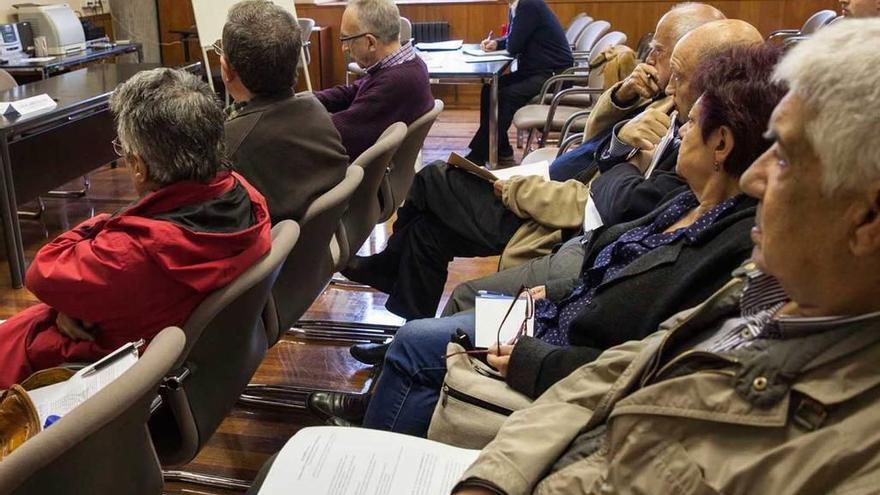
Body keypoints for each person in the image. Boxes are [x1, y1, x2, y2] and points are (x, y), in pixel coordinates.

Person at [454, 19, 880, 494]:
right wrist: (495, 479)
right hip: (542, 445)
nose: (756, 179)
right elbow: (615, 374)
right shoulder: (762, 286)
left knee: (428, 345)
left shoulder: (852, 451)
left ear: (867, 219)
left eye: (782, 156)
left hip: (555, 388)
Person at [310, 43, 787, 435]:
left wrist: (537, 349)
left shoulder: (717, 231)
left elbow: (637, 347)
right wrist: (619, 118)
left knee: (432, 193)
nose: (679, 121)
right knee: (430, 233)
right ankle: (387, 386)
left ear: (722, 143)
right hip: (563, 287)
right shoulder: (691, 197)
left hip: (560, 296)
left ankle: (389, 398)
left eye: (689, 117)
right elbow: (600, 168)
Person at [342, 19, 763, 321]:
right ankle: (408, 335)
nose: (649, 59)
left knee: (432, 180)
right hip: (563, 191)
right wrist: (621, 98)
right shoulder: (668, 102)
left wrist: (609, 149)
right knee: (427, 233)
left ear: (713, 74)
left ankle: (392, 281)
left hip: (564, 223)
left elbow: (617, 198)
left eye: (661, 53)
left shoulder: (702, 144)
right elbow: (595, 143)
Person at [0, 68, 272, 388]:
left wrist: (102, 221)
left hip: (83, 375)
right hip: (191, 359)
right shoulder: (247, 197)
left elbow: (43, 271)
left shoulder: (128, 254)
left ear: (139, 167)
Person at [549, 2, 726, 181]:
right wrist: (622, 97)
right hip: (573, 170)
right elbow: (592, 137)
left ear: (690, 53)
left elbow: (609, 194)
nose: (649, 59)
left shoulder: (686, 127)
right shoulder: (657, 93)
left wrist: (620, 143)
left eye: (658, 50)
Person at [221, 0, 349, 223]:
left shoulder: (229, 144)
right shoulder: (315, 109)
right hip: (321, 245)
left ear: (227, 70)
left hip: (276, 252)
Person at [314, 0, 433, 160]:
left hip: (367, 178)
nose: (344, 48)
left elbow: (338, 135)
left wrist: (294, 120)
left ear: (370, 42)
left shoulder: (395, 83)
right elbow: (354, 91)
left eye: (346, 40)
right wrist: (309, 100)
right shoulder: (409, 63)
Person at [464, 0, 573, 167]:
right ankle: (502, 150)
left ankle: (478, 154)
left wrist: (505, 42)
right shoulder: (518, 5)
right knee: (489, 89)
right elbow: (514, 38)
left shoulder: (528, 4)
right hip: (536, 71)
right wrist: (497, 43)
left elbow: (514, 45)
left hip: (554, 76)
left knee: (505, 96)